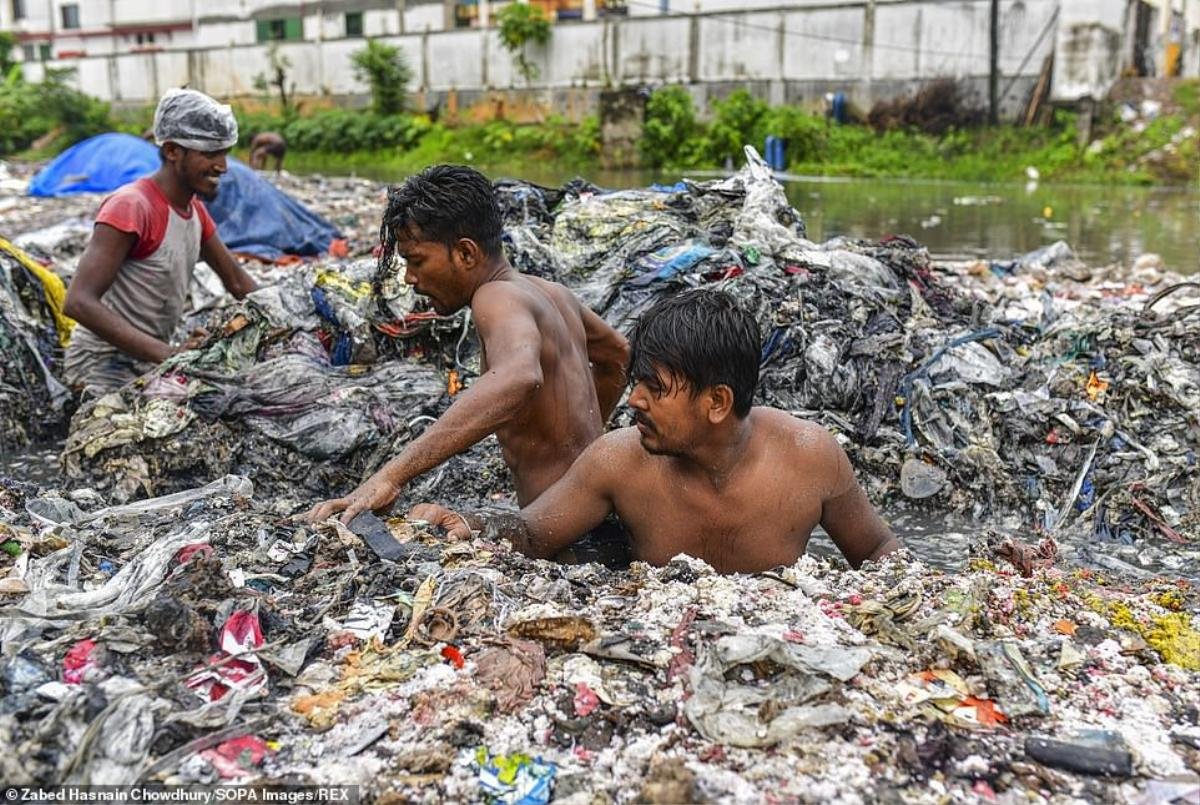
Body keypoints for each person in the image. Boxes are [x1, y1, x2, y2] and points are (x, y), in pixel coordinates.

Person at [410, 289, 900, 574]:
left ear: (717, 402)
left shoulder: (810, 458)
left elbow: (878, 552)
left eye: (656, 388)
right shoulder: (620, 461)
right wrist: (474, 524)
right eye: (636, 382)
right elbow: (536, 533)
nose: (634, 400)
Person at [304, 165, 630, 525]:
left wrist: (390, 475)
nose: (411, 278)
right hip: (593, 516)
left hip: (563, 533)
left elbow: (519, 376)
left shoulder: (495, 297)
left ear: (465, 254)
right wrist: (584, 451)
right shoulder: (553, 293)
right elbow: (618, 355)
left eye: (416, 260)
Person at [63, 88, 258, 395]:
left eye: (224, 153)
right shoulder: (131, 206)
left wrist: (293, 313)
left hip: (149, 359)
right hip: (101, 365)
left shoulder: (194, 212)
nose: (223, 166)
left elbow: (237, 282)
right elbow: (78, 301)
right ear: (172, 151)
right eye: (209, 154)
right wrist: (170, 354)